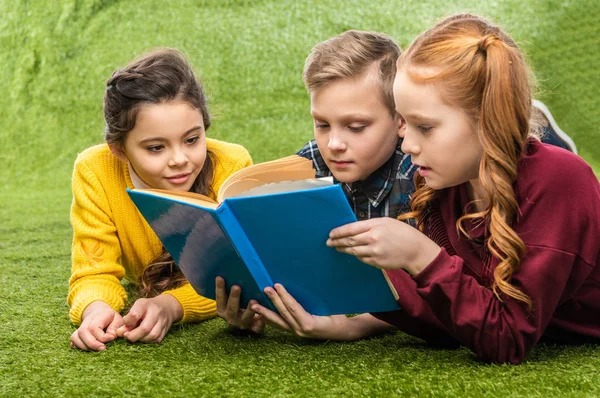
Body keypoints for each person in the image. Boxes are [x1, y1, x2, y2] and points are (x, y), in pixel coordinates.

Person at [251, 14, 600, 364]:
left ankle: (537, 128)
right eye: (406, 124)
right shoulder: (444, 184)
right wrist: (346, 319)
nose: (407, 146)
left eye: (425, 127)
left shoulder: (561, 180)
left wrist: (420, 256)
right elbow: (451, 321)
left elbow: (506, 340)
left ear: (486, 119)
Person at [216, 30, 416, 333]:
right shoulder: (309, 163)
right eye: (322, 124)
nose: (333, 143)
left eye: (356, 127)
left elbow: (435, 295)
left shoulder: (420, 173)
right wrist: (255, 304)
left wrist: (352, 328)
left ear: (400, 119)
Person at [68, 48, 252, 351]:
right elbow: (94, 270)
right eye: (156, 148)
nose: (180, 160)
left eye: (192, 140)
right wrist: (96, 308)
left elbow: (237, 278)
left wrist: (171, 305)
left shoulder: (232, 166)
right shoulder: (95, 169)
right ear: (119, 149)